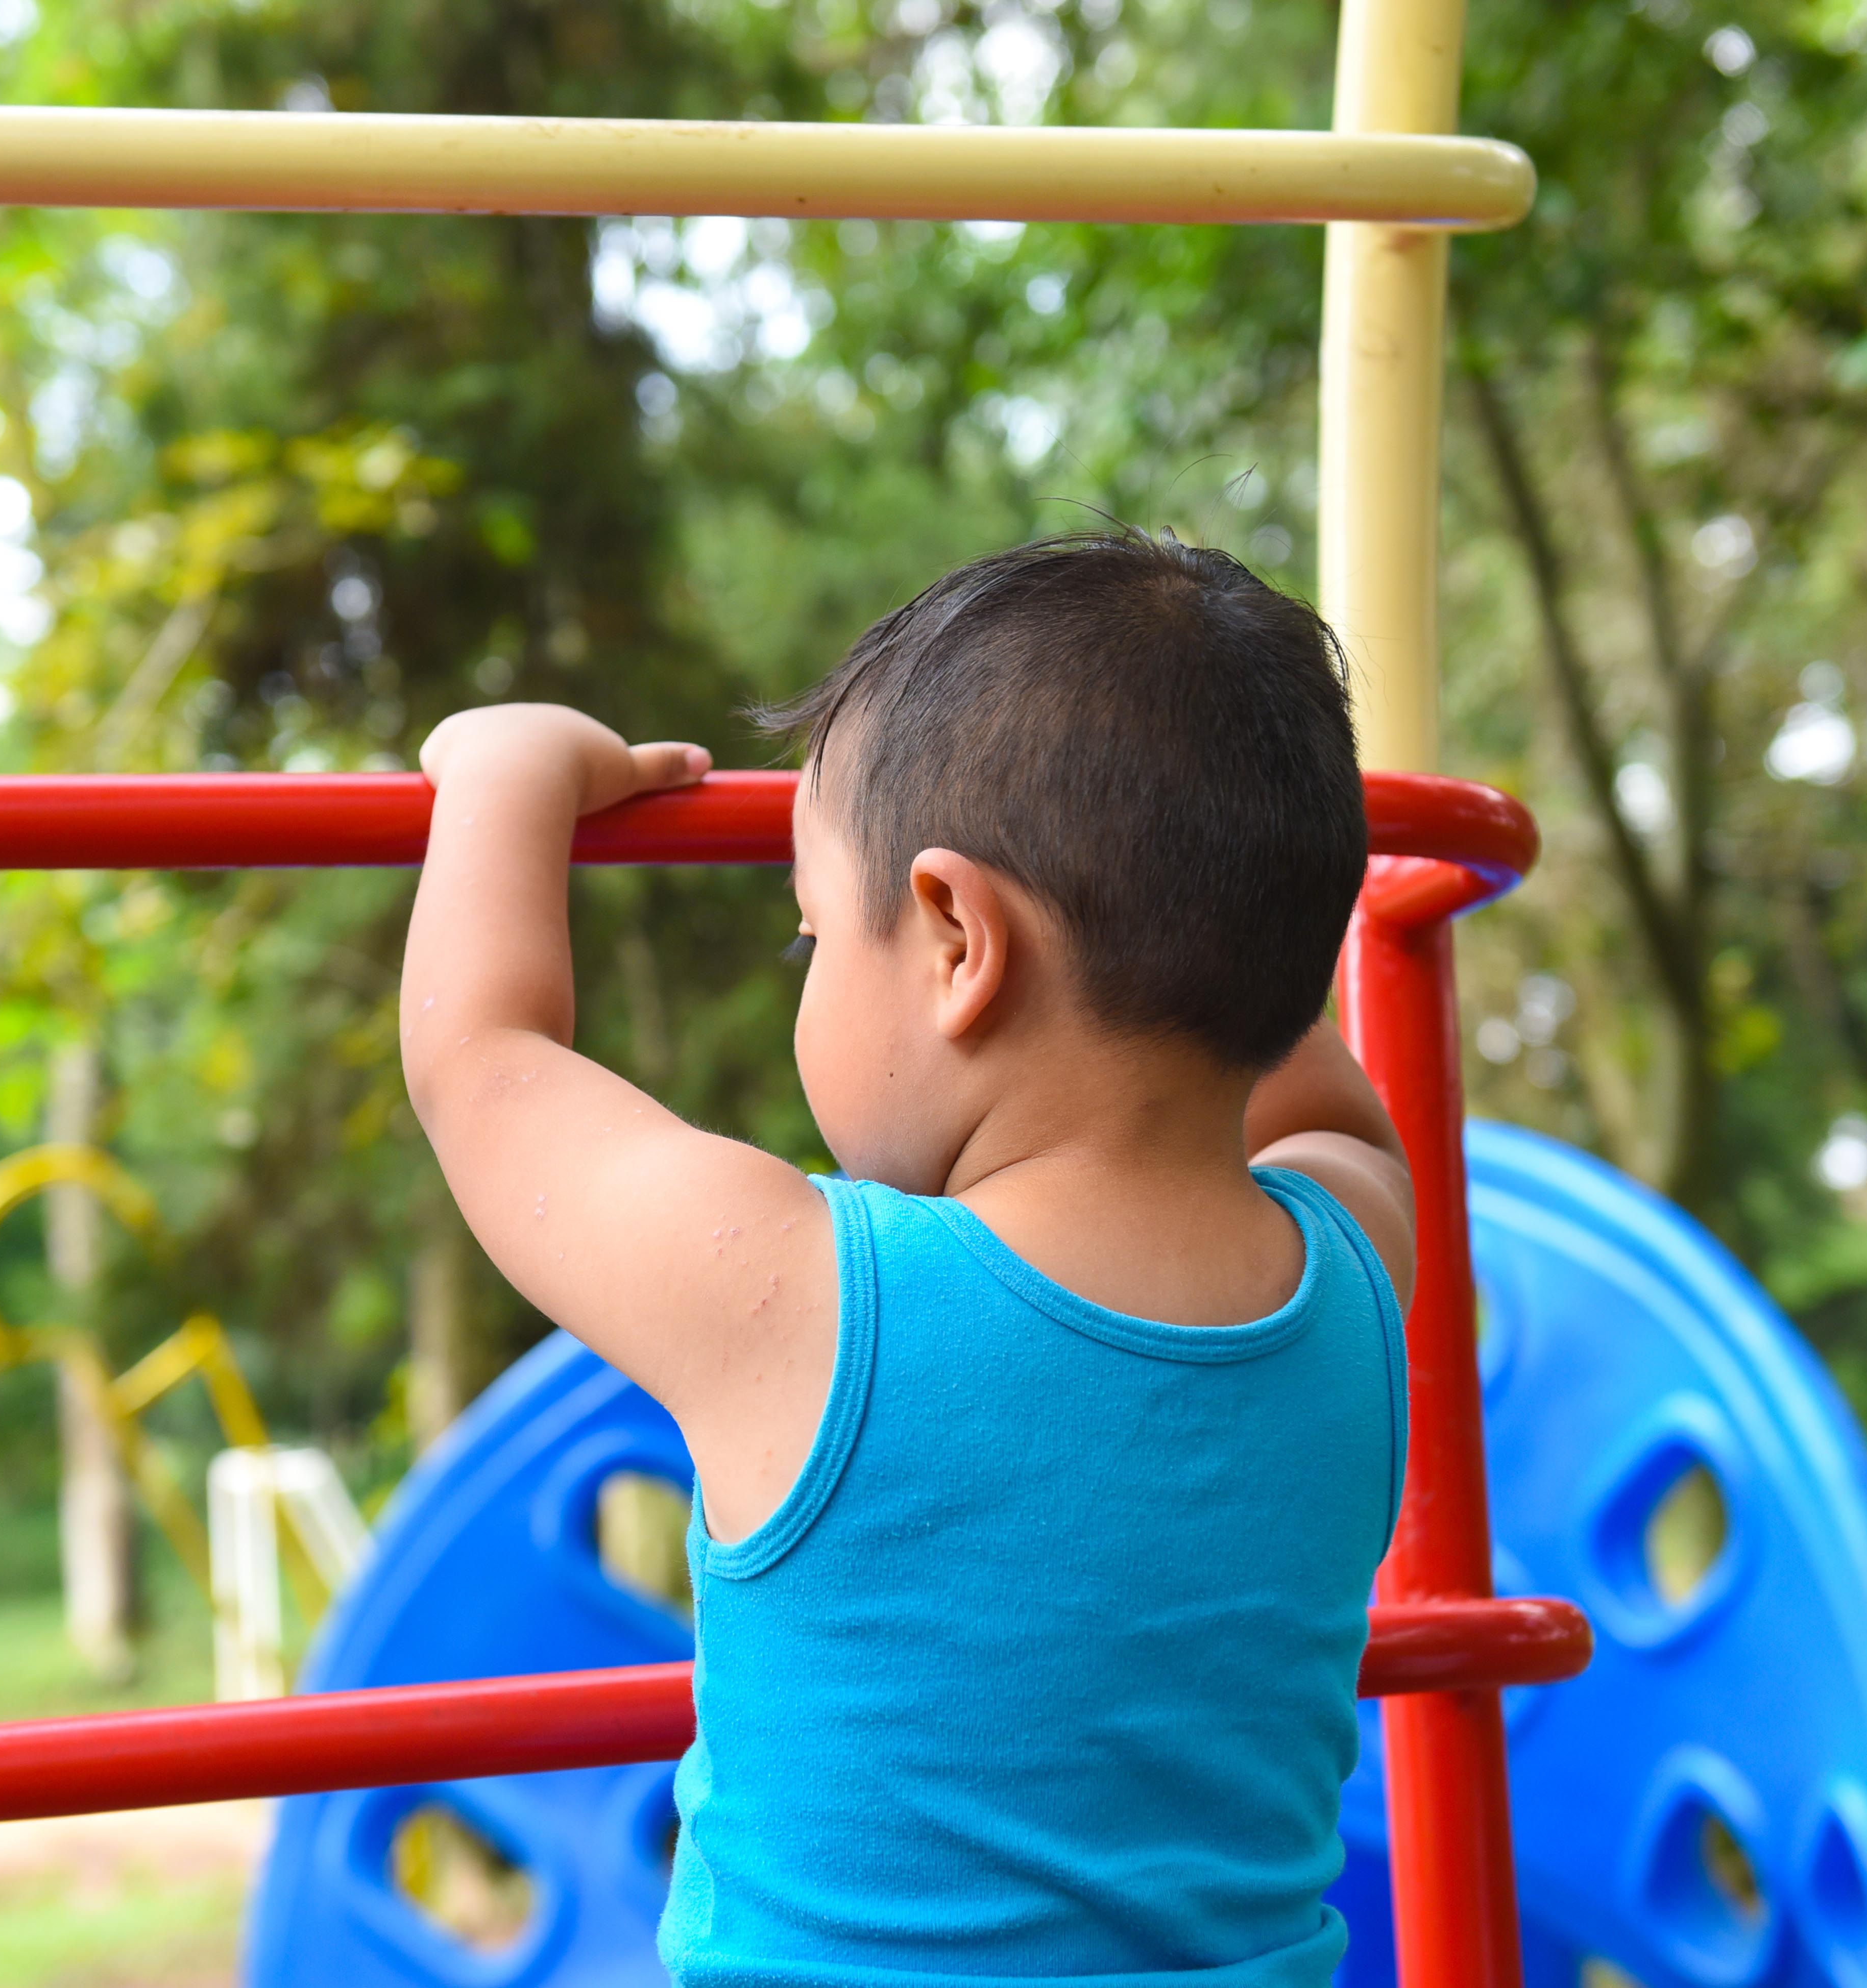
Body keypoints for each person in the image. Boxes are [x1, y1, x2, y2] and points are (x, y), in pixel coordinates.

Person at [401, 530, 1416, 1988]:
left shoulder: (813, 1305)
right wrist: (1218, 915)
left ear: (953, 936)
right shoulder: (1355, 1276)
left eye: (811, 932)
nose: (807, 970)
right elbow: (1321, 1100)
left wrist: (505, 776)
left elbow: (481, 1067)